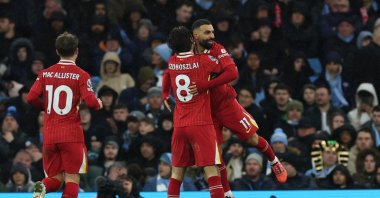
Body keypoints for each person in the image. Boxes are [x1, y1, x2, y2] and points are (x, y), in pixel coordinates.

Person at [188, 19, 287, 197]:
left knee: (252, 139)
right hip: (206, 111)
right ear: (195, 35)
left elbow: (233, 73)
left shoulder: (217, 49)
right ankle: (227, 192)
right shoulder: (186, 54)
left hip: (226, 104)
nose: (212, 36)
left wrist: (205, 85)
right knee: (215, 154)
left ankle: (274, 161)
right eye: (207, 32)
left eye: (212, 32)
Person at [26, 32, 103, 198]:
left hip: (50, 135)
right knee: (72, 179)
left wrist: (45, 108)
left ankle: (42, 186)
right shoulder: (81, 75)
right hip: (71, 135)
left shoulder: (45, 73)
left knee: (54, 178)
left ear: (56, 51)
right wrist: (99, 103)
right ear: (76, 51)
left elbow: (30, 97)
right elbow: (90, 102)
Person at [161, 26, 233, 198]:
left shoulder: (172, 61)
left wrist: (165, 94)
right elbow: (228, 71)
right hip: (201, 123)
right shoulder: (204, 61)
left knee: (176, 174)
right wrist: (217, 48)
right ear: (192, 40)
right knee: (212, 171)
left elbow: (166, 76)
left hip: (179, 125)